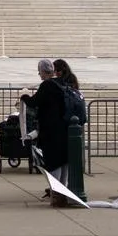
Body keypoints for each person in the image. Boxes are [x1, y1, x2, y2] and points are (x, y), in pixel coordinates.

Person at [19, 58, 69, 203]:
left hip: (50, 130)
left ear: (43, 71)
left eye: (39, 71)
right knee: (63, 161)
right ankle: (62, 191)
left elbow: (34, 102)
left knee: (53, 162)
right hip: (63, 128)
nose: (39, 74)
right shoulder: (61, 83)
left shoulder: (47, 85)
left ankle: (56, 192)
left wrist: (24, 96)